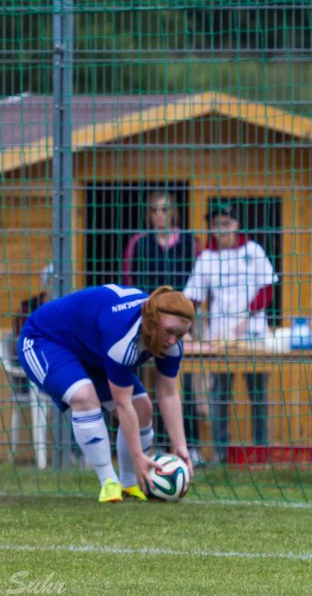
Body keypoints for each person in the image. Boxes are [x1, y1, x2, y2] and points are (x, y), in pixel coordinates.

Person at [18, 284, 196, 503]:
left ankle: (130, 485)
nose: (172, 341)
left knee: (143, 409)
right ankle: (109, 483)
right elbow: (122, 406)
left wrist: (180, 445)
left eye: (180, 335)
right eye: (169, 331)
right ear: (152, 319)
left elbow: (168, 393)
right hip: (45, 340)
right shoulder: (123, 334)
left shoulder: (172, 343)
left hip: (93, 352)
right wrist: (139, 456)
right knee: (84, 396)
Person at [182, 202, 278, 463]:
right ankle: (221, 453)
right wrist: (184, 326)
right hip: (220, 337)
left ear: (236, 225)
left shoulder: (253, 250)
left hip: (253, 334)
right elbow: (193, 297)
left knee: (258, 394)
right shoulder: (206, 259)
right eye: (216, 225)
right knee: (219, 396)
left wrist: (246, 316)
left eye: (227, 223)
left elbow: (268, 288)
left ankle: (261, 451)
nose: (222, 229)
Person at [121, 191, 202, 464]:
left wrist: (185, 325)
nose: (160, 215)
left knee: (183, 384)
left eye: (165, 210)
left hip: (182, 327)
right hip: (148, 326)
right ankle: (147, 444)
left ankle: (188, 445)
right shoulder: (139, 243)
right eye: (155, 210)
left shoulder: (191, 243)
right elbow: (129, 281)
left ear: (174, 213)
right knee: (141, 389)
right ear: (149, 214)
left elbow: (200, 283)